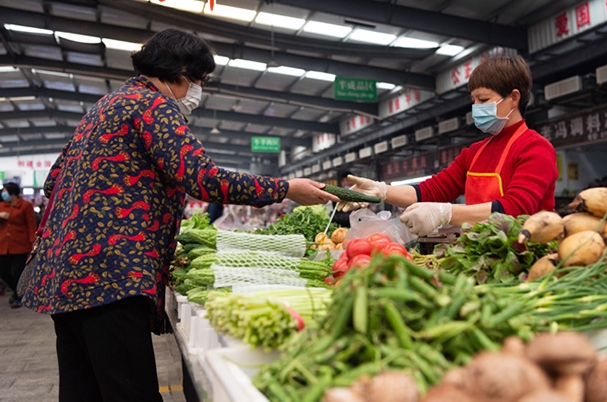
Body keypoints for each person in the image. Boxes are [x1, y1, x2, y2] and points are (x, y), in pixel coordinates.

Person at [21, 29, 338, 402]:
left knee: (82, 391)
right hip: (111, 275)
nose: (197, 90)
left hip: (65, 275)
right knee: (130, 392)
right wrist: (285, 188)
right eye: (198, 81)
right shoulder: (152, 106)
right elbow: (203, 178)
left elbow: (52, 180)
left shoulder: (104, 107)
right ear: (180, 71)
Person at [340, 55, 558, 237]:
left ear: (514, 98)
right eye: (473, 101)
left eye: (483, 99)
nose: (476, 108)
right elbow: (430, 191)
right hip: (485, 255)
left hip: (528, 258)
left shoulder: (535, 149)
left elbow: (516, 209)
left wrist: (446, 213)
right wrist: (382, 190)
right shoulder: (475, 153)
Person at [0, 182, 37, 308]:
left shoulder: (25, 206)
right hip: (3, 245)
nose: (3, 194)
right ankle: (18, 294)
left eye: (5, 191)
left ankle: (18, 297)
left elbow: (31, 224)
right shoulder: (1, 206)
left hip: (20, 244)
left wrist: (33, 241)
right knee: (3, 271)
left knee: (17, 272)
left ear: (12, 192)